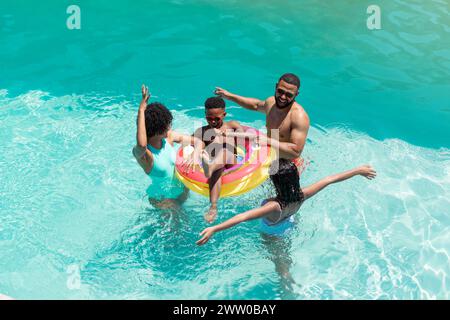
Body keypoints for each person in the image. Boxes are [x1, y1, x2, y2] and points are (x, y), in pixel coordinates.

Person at [196, 160, 376, 292]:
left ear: (276, 183)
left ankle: (289, 292)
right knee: (285, 257)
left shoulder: (273, 206)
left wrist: (214, 228)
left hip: (272, 234)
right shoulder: (302, 194)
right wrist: (357, 170)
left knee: (282, 268)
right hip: (289, 222)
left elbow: (243, 217)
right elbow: (330, 179)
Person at [133, 85, 202, 211]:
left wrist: (195, 156)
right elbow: (141, 145)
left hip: (183, 193)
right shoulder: (146, 155)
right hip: (163, 200)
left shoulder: (168, 138)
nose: (170, 127)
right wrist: (141, 110)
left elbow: (198, 141)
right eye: (166, 125)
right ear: (156, 129)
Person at [193, 96, 245, 223]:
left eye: (217, 118)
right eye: (209, 118)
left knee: (225, 150)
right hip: (217, 165)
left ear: (224, 114)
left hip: (233, 162)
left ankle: (210, 168)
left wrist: (230, 134)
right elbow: (196, 145)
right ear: (205, 114)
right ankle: (213, 206)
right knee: (216, 164)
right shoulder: (202, 131)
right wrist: (194, 153)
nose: (213, 121)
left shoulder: (232, 125)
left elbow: (244, 139)